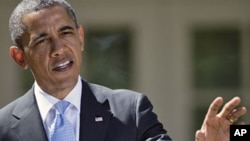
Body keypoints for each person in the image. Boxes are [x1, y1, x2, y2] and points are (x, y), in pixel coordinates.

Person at [0, 0, 247, 141]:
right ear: (19, 56)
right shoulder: (3, 127)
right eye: (42, 40)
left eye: (66, 33)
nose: (58, 49)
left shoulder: (131, 111)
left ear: (81, 38)